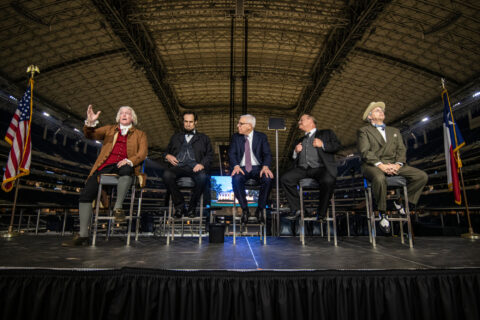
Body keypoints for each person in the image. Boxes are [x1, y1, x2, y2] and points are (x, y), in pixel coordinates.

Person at [62, 105, 148, 246]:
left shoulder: (140, 134)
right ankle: (83, 235)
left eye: (127, 113)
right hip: (105, 166)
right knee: (85, 195)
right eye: (121, 113)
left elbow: (142, 153)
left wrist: (130, 160)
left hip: (126, 164)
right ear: (118, 117)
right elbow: (90, 135)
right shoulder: (109, 129)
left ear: (132, 118)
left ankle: (118, 208)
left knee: (126, 169)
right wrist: (90, 122)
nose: (124, 115)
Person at [357, 101, 428, 233]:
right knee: (379, 178)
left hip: (394, 164)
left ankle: (402, 203)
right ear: (370, 116)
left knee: (421, 176)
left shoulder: (394, 131)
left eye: (382, 110)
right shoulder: (364, 131)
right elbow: (365, 152)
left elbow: (402, 150)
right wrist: (381, 165)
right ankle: (382, 213)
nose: (381, 112)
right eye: (377, 110)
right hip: (373, 164)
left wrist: (398, 164)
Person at [281, 114, 341, 220]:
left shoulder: (326, 133)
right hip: (302, 168)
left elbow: (337, 146)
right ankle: (298, 209)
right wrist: (295, 151)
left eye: (301, 120)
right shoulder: (299, 139)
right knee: (285, 178)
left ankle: (321, 213)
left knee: (328, 180)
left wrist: (323, 144)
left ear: (310, 121)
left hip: (320, 168)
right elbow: (291, 158)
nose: (299, 122)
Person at [163, 111, 213, 218]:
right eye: (186, 121)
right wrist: (167, 156)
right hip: (178, 166)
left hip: (195, 167)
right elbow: (166, 152)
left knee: (203, 177)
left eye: (191, 122)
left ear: (196, 122)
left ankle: (192, 207)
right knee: (167, 175)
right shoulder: (175, 137)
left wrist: (202, 164)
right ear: (183, 122)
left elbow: (209, 155)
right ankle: (180, 206)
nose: (188, 124)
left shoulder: (204, 138)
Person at [229, 114, 273, 224]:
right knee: (236, 178)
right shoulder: (236, 137)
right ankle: (245, 210)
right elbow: (232, 153)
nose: (238, 125)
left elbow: (267, 154)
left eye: (241, 123)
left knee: (268, 179)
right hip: (242, 168)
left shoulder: (261, 137)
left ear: (249, 126)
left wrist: (266, 166)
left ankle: (260, 209)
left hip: (258, 168)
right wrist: (236, 166)